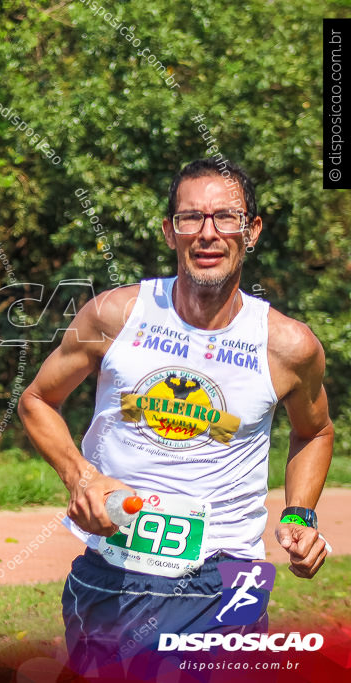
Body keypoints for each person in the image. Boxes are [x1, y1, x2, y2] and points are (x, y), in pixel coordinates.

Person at [18, 158, 333, 675]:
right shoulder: (115, 315)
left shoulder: (288, 345)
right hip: (113, 574)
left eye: (226, 218)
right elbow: (36, 400)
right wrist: (81, 477)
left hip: (225, 579)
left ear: (251, 231)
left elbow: (315, 432)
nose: (208, 234)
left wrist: (299, 513)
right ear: (170, 231)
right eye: (191, 218)